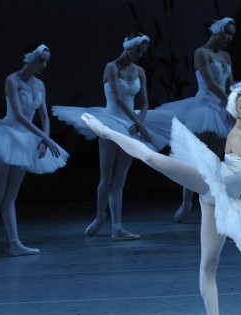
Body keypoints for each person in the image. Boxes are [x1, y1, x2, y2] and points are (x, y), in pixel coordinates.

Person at [79, 82, 241, 315]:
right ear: (235, 111)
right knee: (153, 158)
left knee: (209, 267)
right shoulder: (235, 136)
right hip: (211, 179)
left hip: (221, 201)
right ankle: (107, 131)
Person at [52, 33, 169, 241]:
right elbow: (117, 99)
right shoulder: (111, 67)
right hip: (111, 122)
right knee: (106, 177)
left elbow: (144, 103)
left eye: (143, 52)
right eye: (138, 51)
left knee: (120, 178)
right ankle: (99, 216)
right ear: (128, 47)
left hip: (131, 125)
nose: (141, 56)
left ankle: (117, 228)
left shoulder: (140, 71)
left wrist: (138, 121)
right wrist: (139, 123)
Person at [151, 17, 237, 223]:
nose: (230, 38)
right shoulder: (201, 53)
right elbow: (210, 83)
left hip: (220, 110)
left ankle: (211, 203)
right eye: (227, 33)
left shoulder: (226, 56)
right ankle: (186, 202)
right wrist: (229, 103)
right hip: (201, 108)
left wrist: (235, 102)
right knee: (195, 160)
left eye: (232, 34)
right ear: (216, 31)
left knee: (215, 160)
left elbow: (230, 85)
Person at [0, 44, 68, 256]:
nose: (44, 65)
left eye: (46, 60)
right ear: (29, 58)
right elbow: (19, 116)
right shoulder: (12, 80)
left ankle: (14, 243)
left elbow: (44, 117)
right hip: (7, 135)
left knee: (11, 196)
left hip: (26, 140)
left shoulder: (40, 84)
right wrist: (44, 137)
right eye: (41, 60)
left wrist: (45, 139)